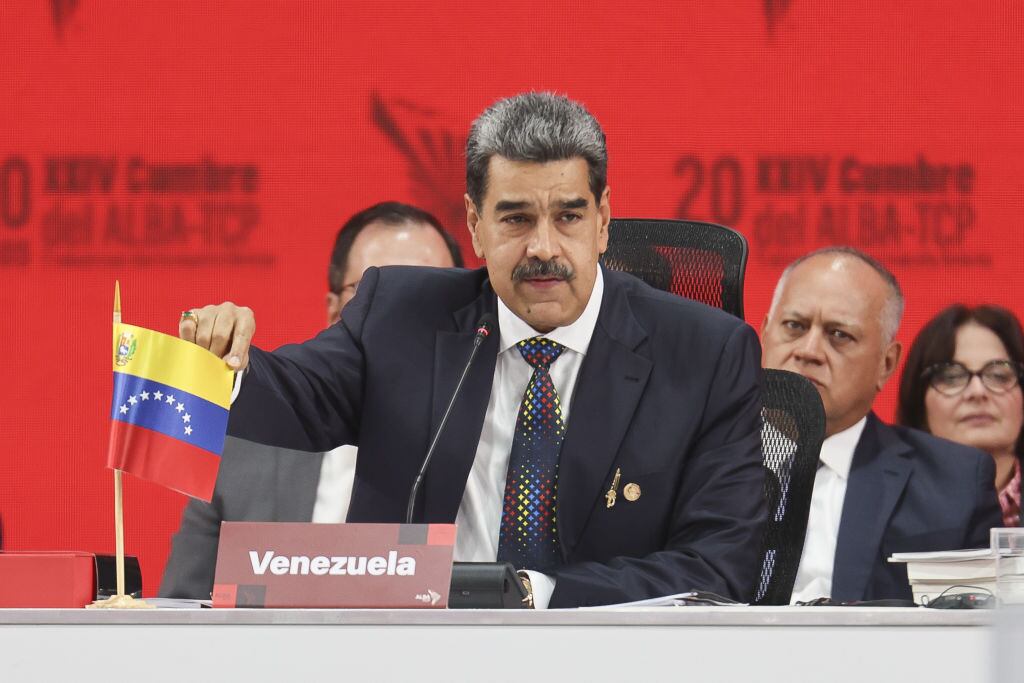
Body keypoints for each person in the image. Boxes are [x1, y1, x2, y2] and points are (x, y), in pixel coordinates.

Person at [177, 92, 766, 608]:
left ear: (604, 221)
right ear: (475, 226)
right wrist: (229, 361)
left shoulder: (705, 354)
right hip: (416, 656)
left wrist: (535, 594)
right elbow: (295, 396)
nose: (543, 247)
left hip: (607, 659)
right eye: (515, 218)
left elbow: (718, 567)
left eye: (568, 217)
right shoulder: (402, 316)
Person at [159, 202, 463, 599]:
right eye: (380, 296)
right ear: (334, 312)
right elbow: (179, 614)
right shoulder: (241, 450)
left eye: (428, 295)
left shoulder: (495, 441)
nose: (404, 321)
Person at [761, 246, 1001, 603]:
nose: (809, 351)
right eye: (794, 326)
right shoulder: (698, 459)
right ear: (764, 333)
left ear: (886, 364)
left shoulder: (956, 485)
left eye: (839, 335)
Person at [897, 304, 1024, 528]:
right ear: (919, 402)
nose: (977, 392)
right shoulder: (887, 506)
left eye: (998, 375)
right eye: (952, 377)